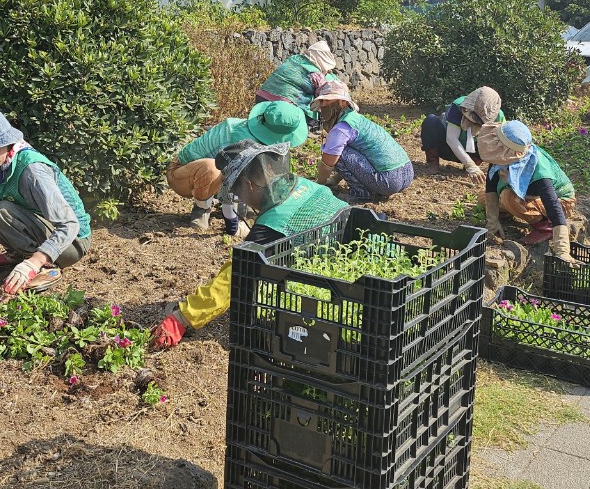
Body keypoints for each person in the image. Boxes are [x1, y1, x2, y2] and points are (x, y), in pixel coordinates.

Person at [151, 140, 349, 348]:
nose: (241, 198)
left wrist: (182, 318)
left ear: (250, 185)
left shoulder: (273, 226)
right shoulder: (307, 185)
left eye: (238, 191)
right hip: (341, 259)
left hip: (327, 291)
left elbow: (235, 276)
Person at [0, 108, 91, 295]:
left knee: (1, 212)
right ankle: (19, 254)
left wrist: (35, 261)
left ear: (7, 141)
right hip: (45, 229)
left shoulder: (32, 171)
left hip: (71, 244)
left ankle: (43, 264)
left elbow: (69, 224)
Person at [168, 101, 308, 235]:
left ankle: (241, 206)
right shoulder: (242, 143)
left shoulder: (257, 139)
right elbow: (233, 182)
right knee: (212, 168)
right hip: (182, 175)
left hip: (218, 178)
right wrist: (234, 221)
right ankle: (202, 209)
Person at [477, 121, 578, 264]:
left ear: (508, 151)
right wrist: (492, 223)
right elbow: (491, 187)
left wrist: (562, 250)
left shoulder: (539, 171)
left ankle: (544, 226)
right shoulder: (500, 158)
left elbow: (553, 206)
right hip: (531, 196)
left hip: (562, 201)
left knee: (508, 198)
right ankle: (516, 210)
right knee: (483, 198)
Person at [311, 79, 414, 202]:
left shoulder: (342, 128)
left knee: (336, 152)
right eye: (322, 101)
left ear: (342, 102)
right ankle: (373, 189)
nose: (323, 105)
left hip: (389, 180)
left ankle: (361, 194)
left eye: (327, 100)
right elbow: (356, 161)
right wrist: (335, 180)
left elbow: (328, 164)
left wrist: (319, 186)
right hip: (407, 172)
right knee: (340, 150)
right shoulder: (356, 119)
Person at [419, 87, 506, 176]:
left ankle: (474, 163)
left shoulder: (499, 117)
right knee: (430, 121)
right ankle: (432, 161)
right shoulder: (457, 106)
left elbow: (500, 146)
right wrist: (469, 164)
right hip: (448, 148)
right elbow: (451, 139)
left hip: (475, 152)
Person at [256, 40, 340, 126]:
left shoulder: (294, 59)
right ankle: (311, 128)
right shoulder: (315, 74)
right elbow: (324, 96)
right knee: (312, 104)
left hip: (261, 97)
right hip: (284, 106)